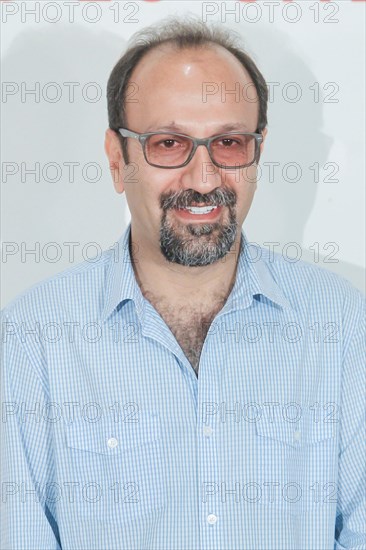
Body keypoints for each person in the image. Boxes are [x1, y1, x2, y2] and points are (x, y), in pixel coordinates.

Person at [1, 17, 365, 550]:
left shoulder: (345, 328)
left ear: (258, 150)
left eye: (229, 142)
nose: (203, 178)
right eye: (169, 143)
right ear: (115, 157)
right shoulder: (30, 340)